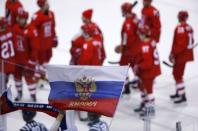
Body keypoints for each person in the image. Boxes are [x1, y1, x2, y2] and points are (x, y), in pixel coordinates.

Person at [133, 25, 161, 116]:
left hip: (148, 72)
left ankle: (150, 110)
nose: (138, 35)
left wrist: (138, 66)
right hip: (147, 71)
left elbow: (148, 63)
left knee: (149, 91)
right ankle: (144, 104)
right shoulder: (151, 41)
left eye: (140, 33)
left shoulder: (146, 46)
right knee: (142, 87)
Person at [13, 10, 39, 102]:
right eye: (18, 18)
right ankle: (19, 93)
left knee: (29, 78)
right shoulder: (15, 28)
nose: (19, 20)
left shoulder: (31, 30)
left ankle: (33, 95)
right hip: (17, 59)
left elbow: (34, 49)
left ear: (26, 19)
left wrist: (31, 63)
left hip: (27, 61)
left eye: (22, 18)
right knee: (17, 77)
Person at [169, 11, 194, 104]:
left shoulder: (180, 28)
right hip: (185, 54)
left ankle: (182, 95)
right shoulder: (189, 27)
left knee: (177, 75)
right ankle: (179, 92)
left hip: (181, 55)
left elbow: (180, 45)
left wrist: (173, 54)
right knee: (177, 74)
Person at [115, 2, 139, 95]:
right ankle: (138, 81)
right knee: (133, 65)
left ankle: (127, 86)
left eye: (122, 10)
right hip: (136, 48)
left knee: (122, 66)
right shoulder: (135, 17)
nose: (121, 11)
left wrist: (122, 47)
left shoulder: (127, 23)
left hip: (128, 50)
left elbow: (127, 38)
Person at [31, 0, 58, 81]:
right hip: (40, 43)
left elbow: (53, 27)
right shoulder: (36, 16)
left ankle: (42, 74)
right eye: (46, 3)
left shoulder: (51, 14)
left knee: (48, 57)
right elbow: (32, 30)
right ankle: (37, 76)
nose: (48, 5)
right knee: (40, 60)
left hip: (48, 42)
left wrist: (54, 38)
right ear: (42, 5)